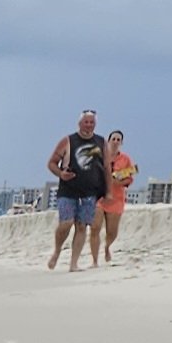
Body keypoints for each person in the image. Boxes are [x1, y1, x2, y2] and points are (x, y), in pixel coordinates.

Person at [46, 111, 109, 270]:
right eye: (86, 122)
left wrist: (108, 191)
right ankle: (57, 251)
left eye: (91, 122)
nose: (89, 125)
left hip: (90, 192)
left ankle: (74, 263)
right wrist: (61, 174)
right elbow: (52, 163)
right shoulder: (68, 141)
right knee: (66, 223)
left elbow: (107, 167)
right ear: (79, 124)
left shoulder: (101, 142)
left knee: (82, 226)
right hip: (68, 190)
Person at [98, 129, 136, 261]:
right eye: (113, 139)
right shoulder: (100, 156)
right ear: (108, 141)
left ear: (121, 143)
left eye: (118, 140)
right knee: (95, 226)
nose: (115, 142)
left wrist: (117, 182)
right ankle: (94, 258)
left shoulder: (125, 159)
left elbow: (130, 178)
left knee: (112, 232)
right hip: (100, 196)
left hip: (116, 198)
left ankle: (107, 247)